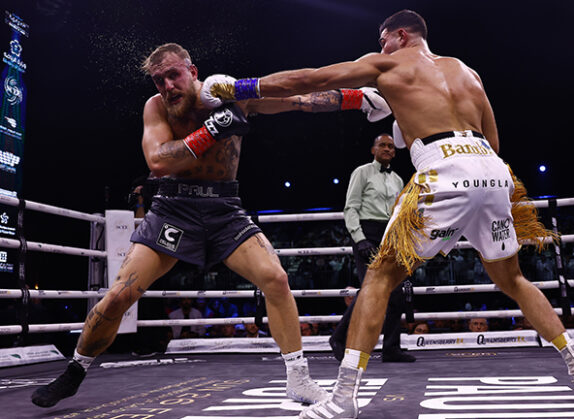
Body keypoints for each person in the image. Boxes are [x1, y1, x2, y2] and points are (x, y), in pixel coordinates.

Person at [205, 9, 574, 417]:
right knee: (514, 279)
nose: (380, 47)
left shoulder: (388, 64)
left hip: (443, 170)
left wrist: (238, 86)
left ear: (400, 35)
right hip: (493, 173)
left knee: (378, 278)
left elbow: (314, 77)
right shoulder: (467, 71)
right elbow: (494, 142)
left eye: (383, 39)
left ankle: (343, 398)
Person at [31, 42, 391, 408]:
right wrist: (212, 131)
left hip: (224, 208)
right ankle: (75, 370)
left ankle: (298, 379)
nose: (167, 86)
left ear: (192, 71)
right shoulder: (156, 108)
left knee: (277, 279)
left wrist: (355, 98)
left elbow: (296, 98)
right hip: (173, 207)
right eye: (158, 80)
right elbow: (157, 161)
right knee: (120, 295)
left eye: (173, 75)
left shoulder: (234, 96)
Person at [330, 134, 415, 363]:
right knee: (370, 292)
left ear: (394, 152)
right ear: (373, 149)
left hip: (391, 235)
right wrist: (360, 239)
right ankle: (338, 339)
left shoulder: (397, 179)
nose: (387, 149)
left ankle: (391, 348)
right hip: (368, 233)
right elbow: (350, 208)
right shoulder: (362, 172)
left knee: (396, 292)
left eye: (390, 146)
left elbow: (399, 213)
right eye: (382, 145)